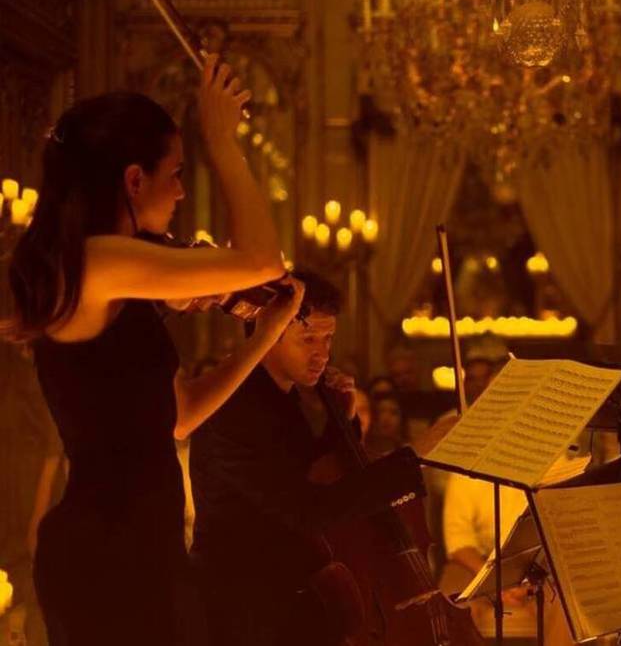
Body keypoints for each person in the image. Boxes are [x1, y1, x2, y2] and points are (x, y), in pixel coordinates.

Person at [6, 55, 290, 645]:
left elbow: (179, 416)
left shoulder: (112, 273)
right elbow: (263, 261)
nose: (184, 190)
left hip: (142, 548)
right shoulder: (99, 261)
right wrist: (223, 143)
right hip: (107, 556)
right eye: (178, 172)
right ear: (134, 180)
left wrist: (263, 340)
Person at [188, 270, 456, 646]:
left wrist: (342, 423)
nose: (322, 353)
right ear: (267, 333)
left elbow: (317, 472)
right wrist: (413, 456)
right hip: (245, 605)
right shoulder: (234, 406)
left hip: (295, 593)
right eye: (308, 338)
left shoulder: (283, 396)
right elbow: (308, 508)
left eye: (328, 338)